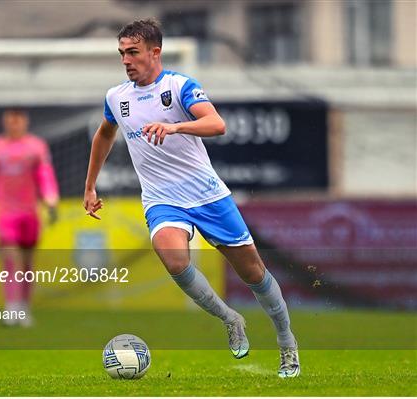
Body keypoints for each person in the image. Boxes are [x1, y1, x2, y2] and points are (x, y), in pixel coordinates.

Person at [83, 19, 299, 378]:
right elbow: (104, 135)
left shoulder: (179, 86)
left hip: (207, 195)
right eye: (122, 53)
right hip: (161, 198)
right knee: (174, 261)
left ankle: (287, 342)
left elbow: (217, 124)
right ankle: (230, 319)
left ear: (155, 52)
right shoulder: (116, 97)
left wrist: (175, 126)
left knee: (254, 273)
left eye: (133, 52)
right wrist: (90, 186)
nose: (126, 60)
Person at [0, 108, 59, 327]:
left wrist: (50, 198)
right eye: (10, 122)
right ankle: (11, 308)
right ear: (5, 123)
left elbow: (45, 174)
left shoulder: (36, 147)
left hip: (29, 214)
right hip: (6, 214)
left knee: (28, 264)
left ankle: (24, 307)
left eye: (18, 121)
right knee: (11, 260)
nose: (14, 125)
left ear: (25, 122)